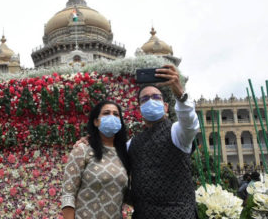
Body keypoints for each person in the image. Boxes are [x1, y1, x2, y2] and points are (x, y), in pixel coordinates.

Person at [75, 65, 200, 218]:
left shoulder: (178, 133)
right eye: (145, 99)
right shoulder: (132, 144)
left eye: (156, 97)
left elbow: (190, 123)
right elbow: (109, 152)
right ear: (140, 109)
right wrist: (90, 140)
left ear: (166, 107)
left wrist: (181, 95)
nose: (150, 101)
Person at [61, 101, 130, 219]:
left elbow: (129, 195)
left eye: (116, 114)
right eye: (106, 113)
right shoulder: (83, 150)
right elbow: (68, 194)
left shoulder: (125, 153)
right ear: (96, 121)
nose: (111, 117)